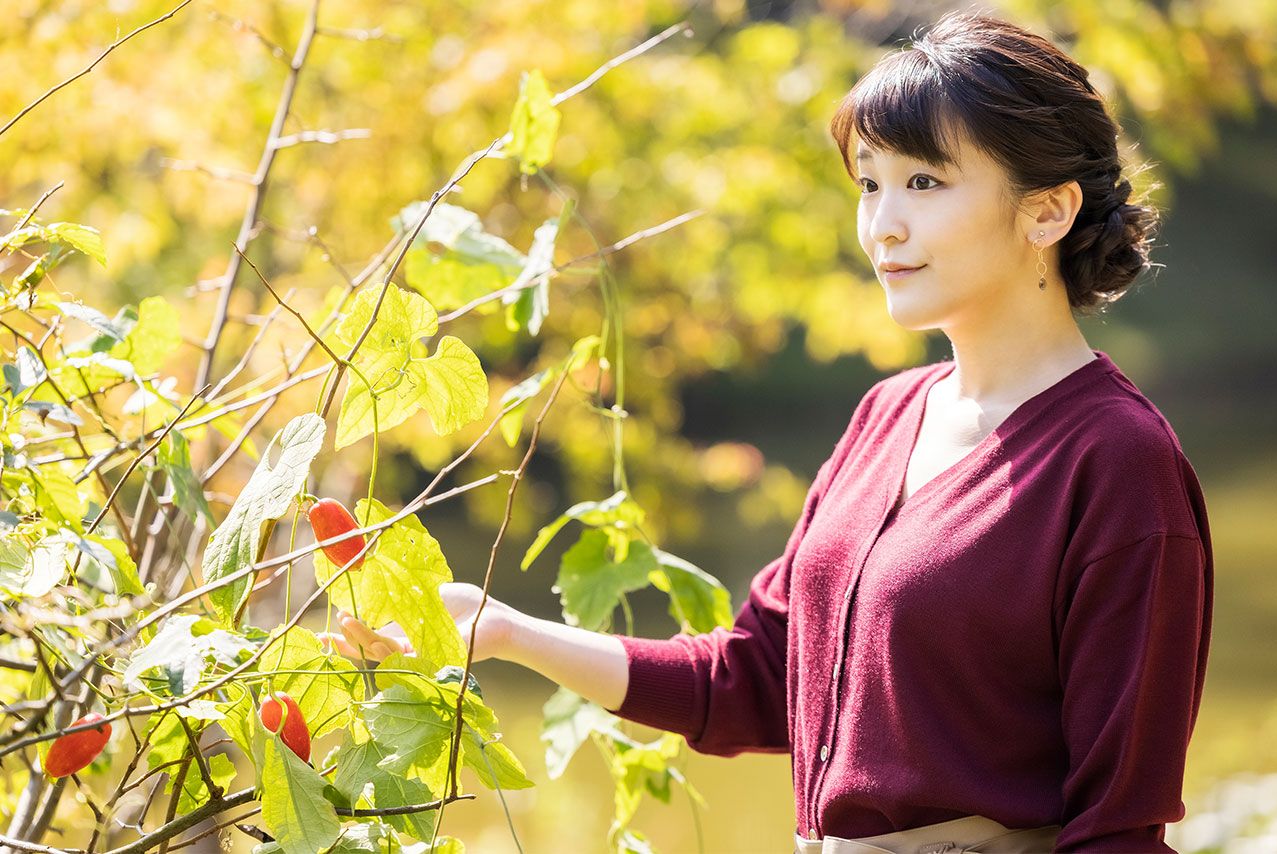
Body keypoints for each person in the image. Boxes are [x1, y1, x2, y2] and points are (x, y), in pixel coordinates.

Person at [323, 9, 1213, 852]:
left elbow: (1119, 829)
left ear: (1047, 211)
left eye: (924, 183)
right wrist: (507, 633)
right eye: (869, 183)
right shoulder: (888, 415)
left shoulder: (1118, 465)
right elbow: (752, 681)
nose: (882, 224)